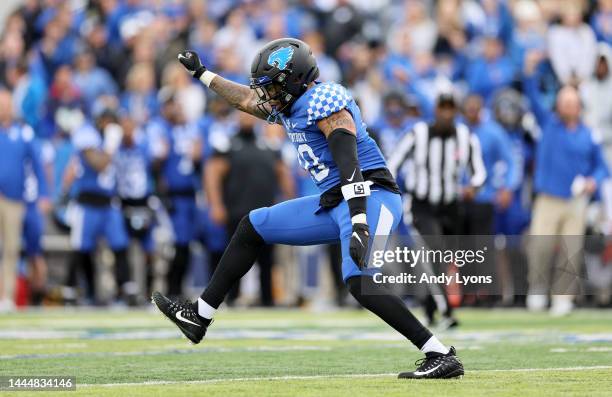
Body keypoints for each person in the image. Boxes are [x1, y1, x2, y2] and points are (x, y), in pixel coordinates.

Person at [152, 38, 464, 379]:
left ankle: (439, 353)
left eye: (272, 87)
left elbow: (350, 163)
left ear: (293, 80)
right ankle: (200, 315)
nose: (266, 95)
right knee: (254, 225)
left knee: (359, 280)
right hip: (332, 201)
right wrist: (202, 73)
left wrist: (359, 221)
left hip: (369, 195)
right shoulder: (289, 102)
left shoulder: (324, 99)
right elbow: (244, 98)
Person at [387, 92, 487, 328]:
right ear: (435, 110)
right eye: (442, 108)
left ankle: (429, 310)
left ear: (456, 111)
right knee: (434, 254)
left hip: (450, 207)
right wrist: (392, 192)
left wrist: (474, 186)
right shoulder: (417, 134)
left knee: (442, 261)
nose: (446, 114)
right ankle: (447, 312)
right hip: (421, 206)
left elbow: (479, 171)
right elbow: (392, 163)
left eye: (450, 108)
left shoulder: (465, 136)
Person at [523, 50, 610, 316]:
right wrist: (530, 72)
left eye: (572, 102)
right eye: (564, 102)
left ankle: (563, 297)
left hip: (576, 200)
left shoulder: (589, 133)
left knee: (571, 250)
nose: (568, 106)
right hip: (549, 196)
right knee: (541, 245)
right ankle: (537, 289)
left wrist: (592, 182)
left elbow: (601, 167)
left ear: (579, 105)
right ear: (559, 105)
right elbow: (533, 98)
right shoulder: (549, 124)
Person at [204, 111, 295, 306]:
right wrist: (216, 205)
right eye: (242, 115)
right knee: (235, 258)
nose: (246, 118)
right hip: (237, 211)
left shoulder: (268, 145)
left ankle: (267, 300)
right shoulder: (227, 144)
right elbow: (212, 174)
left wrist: (292, 202)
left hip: (266, 213)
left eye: (249, 115)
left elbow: (283, 174)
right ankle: (231, 299)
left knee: (267, 261)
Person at [63, 105, 132, 305]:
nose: (108, 125)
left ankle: (126, 290)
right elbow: (99, 164)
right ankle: (74, 290)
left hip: (109, 203)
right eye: (106, 120)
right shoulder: (87, 135)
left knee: (120, 245)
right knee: (81, 248)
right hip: (88, 202)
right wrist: (111, 145)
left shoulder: (118, 137)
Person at [0, 90, 46, 312]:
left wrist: (43, 194)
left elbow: (36, 164)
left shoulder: (22, 133)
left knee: (10, 250)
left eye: (5, 104)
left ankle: (6, 297)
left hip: (14, 200)